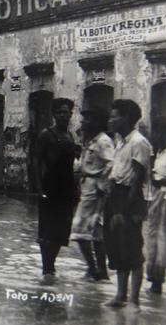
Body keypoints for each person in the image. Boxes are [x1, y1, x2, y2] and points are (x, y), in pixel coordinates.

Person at [104, 99, 152, 308]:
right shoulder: (120, 141)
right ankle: (120, 295)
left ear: (127, 118)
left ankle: (134, 300)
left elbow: (136, 180)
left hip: (130, 200)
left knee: (132, 249)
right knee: (117, 247)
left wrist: (122, 211)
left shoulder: (138, 142)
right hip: (116, 196)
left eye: (114, 116)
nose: (111, 120)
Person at [35, 97, 81, 285]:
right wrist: (39, 188)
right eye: (60, 112)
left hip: (67, 188)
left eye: (67, 112)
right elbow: (37, 162)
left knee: (62, 230)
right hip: (50, 186)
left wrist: (76, 188)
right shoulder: (46, 135)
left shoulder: (70, 136)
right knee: (47, 230)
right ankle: (47, 268)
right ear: (54, 114)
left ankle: (51, 265)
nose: (64, 116)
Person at [70, 107, 114, 281]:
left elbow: (111, 165)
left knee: (79, 231)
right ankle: (100, 272)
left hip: (95, 190)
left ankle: (92, 268)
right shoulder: (90, 141)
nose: (83, 123)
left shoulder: (103, 141)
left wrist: (101, 187)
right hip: (87, 187)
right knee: (96, 233)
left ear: (96, 122)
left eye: (87, 120)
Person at [145, 116, 166, 294]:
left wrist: (160, 180)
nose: (158, 135)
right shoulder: (161, 151)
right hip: (159, 198)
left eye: (161, 132)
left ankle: (159, 280)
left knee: (163, 240)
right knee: (154, 239)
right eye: (156, 132)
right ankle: (156, 280)